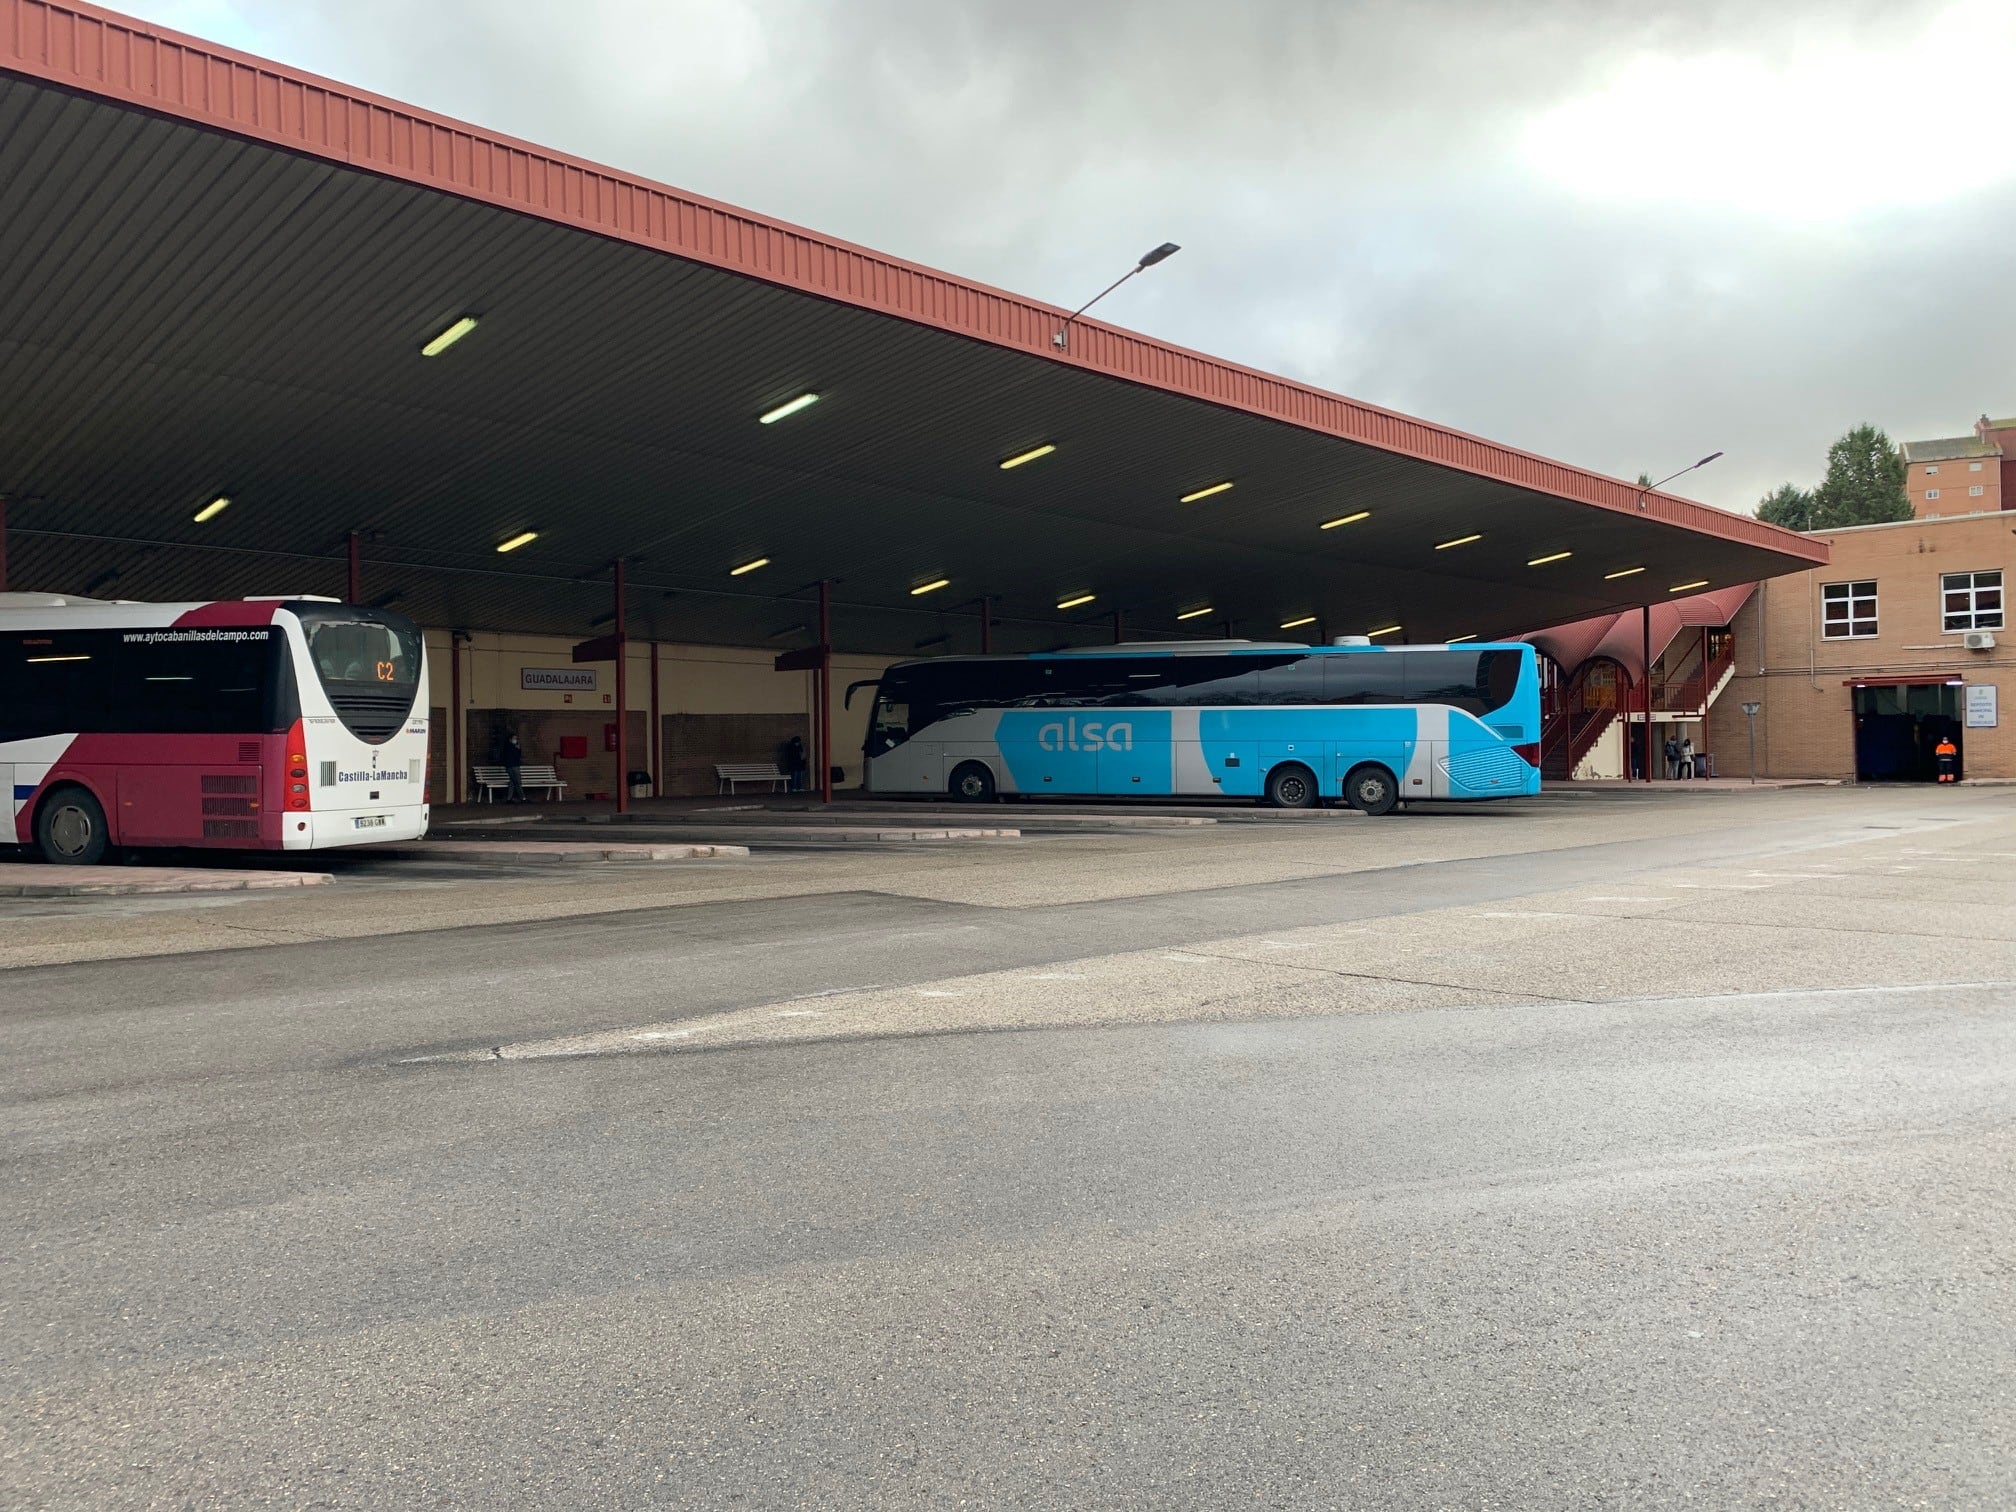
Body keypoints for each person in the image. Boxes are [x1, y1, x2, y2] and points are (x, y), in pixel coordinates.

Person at [494, 726, 525, 803]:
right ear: (510, 739)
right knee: (517, 782)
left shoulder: (509, 747)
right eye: (514, 739)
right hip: (513, 766)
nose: (516, 740)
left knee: (512, 782)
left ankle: (509, 798)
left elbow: (517, 756)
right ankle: (523, 798)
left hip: (510, 766)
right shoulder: (510, 747)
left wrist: (518, 749)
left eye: (516, 739)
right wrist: (518, 749)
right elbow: (516, 757)